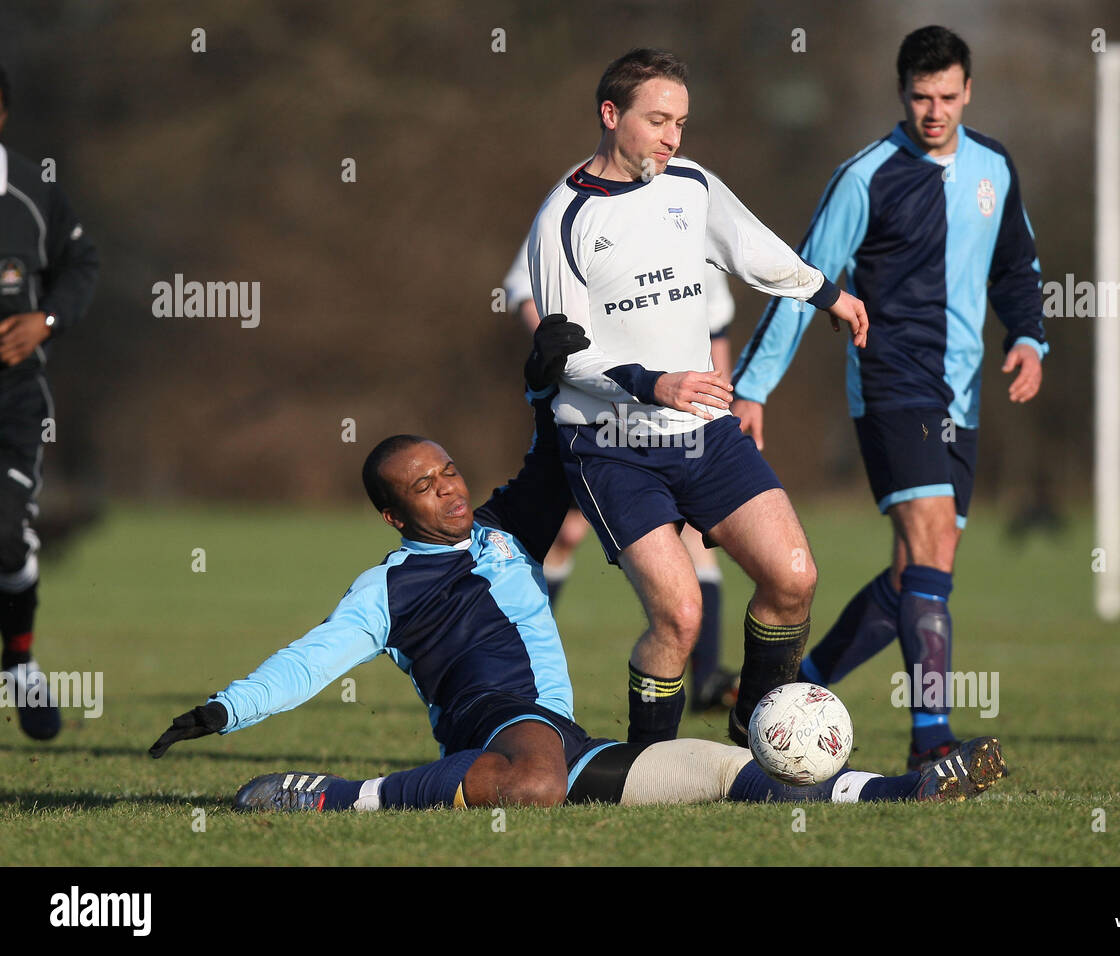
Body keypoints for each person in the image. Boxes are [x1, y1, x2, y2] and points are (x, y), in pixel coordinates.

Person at [148, 317, 1006, 810]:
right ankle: (337, 796)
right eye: (423, 486)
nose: (447, 490)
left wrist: (541, 385)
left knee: (723, 771)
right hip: (497, 727)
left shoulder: (502, 531)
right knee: (534, 787)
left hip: (560, 735)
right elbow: (313, 658)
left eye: (448, 472)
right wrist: (226, 709)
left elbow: (555, 457)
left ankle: (905, 791)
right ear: (390, 511)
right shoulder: (387, 588)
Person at [527, 48, 869, 746]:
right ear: (610, 114)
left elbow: (754, 248)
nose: (673, 137)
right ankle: (649, 766)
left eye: (681, 122)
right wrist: (654, 383)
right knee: (679, 618)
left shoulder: (689, 184)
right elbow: (562, 359)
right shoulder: (564, 219)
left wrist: (827, 293)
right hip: (610, 446)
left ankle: (754, 740)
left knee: (793, 578)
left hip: (703, 433)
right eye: (658, 120)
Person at [729, 26, 1048, 770]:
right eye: (919, 97)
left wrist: (1029, 337)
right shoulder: (864, 176)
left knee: (918, 571)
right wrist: (753, 387)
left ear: (967, 91)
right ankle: (930, 740)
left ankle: (779, 694)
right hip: (891, 383)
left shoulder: (994, 166)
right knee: (930, 545)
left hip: (961, 391)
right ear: (901, 93)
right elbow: (799, 279)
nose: (933, 111)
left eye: (946, 96)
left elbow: (1018, 265)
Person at [503, 238, 739, 710]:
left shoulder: (691, 213)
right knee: (565, 532)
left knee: (693, 532)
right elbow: (522, 290)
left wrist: (721, 405)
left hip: (677, 418)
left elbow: (716, 327)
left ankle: (707, 678)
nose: (666, 158)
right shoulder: (583, 206)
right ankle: (512, 671)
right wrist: (564, 359)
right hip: (597, 414)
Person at [0, 64, 99, 740]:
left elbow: (82, 263)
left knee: (5, 536)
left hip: (14, 394)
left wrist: (47, 321)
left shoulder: (32, 189)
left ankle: (19, 664)